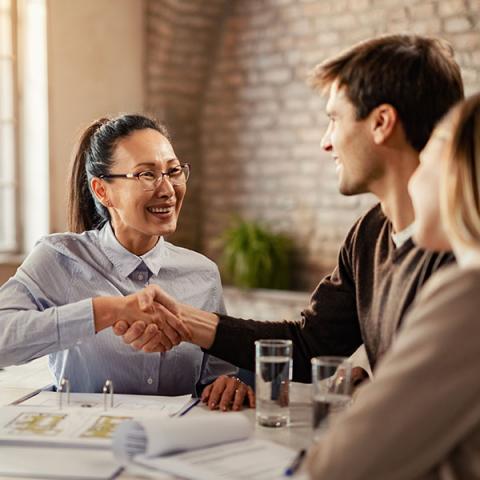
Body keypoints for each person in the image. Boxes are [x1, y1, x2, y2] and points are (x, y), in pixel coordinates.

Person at [113, 35, 464, 388]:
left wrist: (369, 394)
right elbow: (310, 345)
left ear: (381, 122)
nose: (326, 141)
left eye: (334, 119)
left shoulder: (464, 248)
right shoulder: (368, 235)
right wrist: (185, 320)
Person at [0, 114, 254, 409]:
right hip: (84, 444)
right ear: (102, 190)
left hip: (174, 445)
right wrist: (107, 311)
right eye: (146, 174)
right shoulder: (58, 258)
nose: (168, 189)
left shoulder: (203, 274)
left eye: (173, 171)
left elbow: (218, 374)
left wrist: (230, 383)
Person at [303, 93, 480, 479]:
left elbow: (339, 466)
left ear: (462, 174)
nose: (414, 179)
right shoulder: (368, 235)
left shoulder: (469, 293)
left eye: (428, 160)